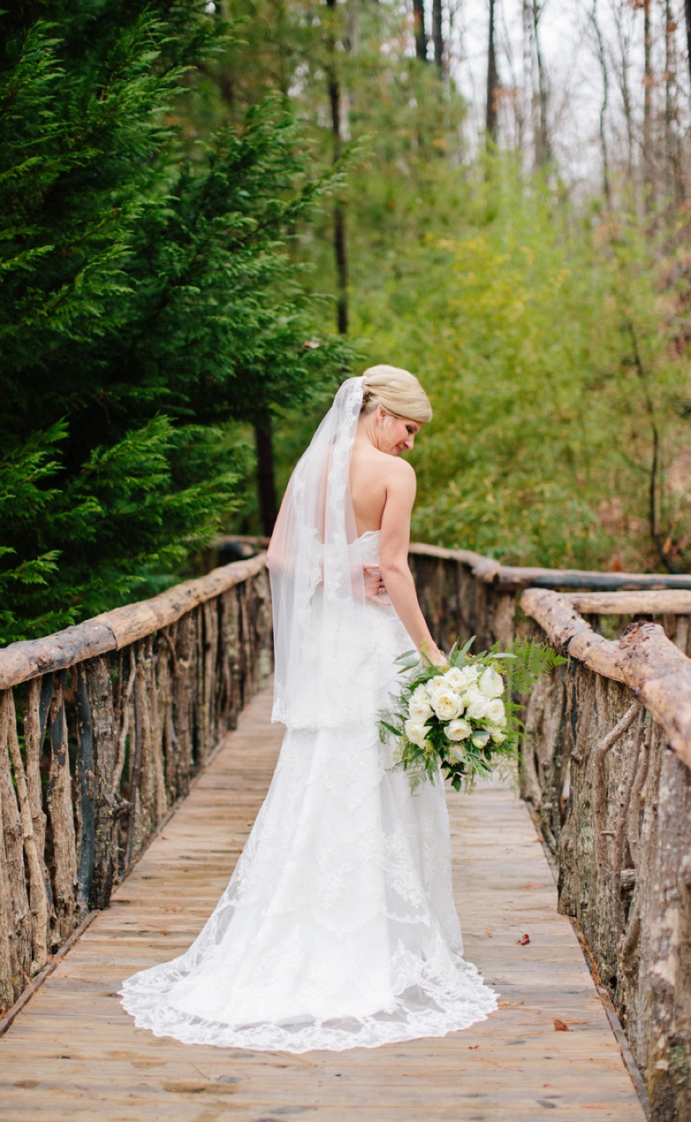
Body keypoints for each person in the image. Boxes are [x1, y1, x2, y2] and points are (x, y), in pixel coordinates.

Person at [120, 366, 496, 1052]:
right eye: (409, 429)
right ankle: (372, 934)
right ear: (381, 414)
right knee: (377, 774)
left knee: (322, 769)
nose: (411, 444)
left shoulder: (317, 464)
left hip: (328, 643)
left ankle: (299, 920)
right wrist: (436, 656)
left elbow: (283, 556)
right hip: (372, 643)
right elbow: (398, 571)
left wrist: (339, 574)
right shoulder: (394, 477)